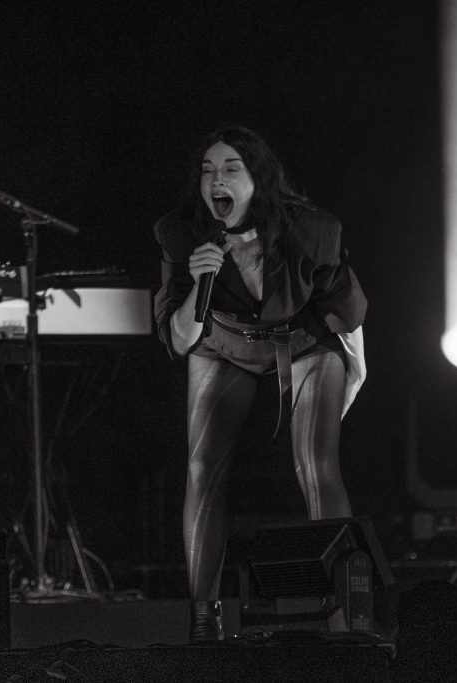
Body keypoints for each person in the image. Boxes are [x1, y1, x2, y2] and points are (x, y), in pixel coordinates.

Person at [153, 126, 367, 641]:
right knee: (202, 467)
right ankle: (204, 619)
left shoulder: (313, 229)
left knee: (315, 462)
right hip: (222, 342)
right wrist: (201, 279)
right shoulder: (181, 232)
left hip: (304, 338)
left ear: (257, 179)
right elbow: (179, 339)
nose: (216, 180)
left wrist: (348, 362)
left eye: (230, 169)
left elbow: (348, 307)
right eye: (208, 170)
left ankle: (340, 611)